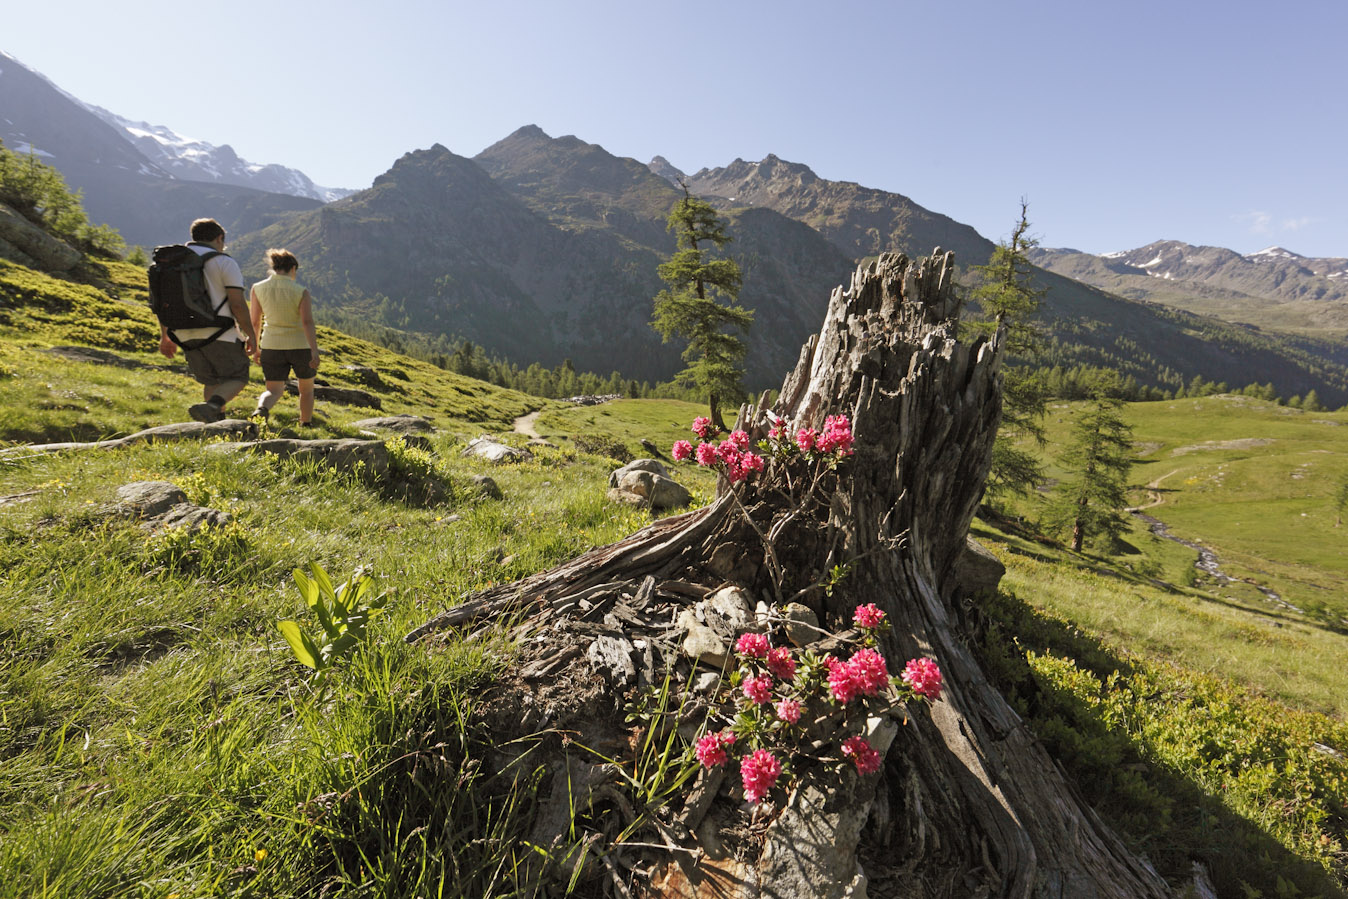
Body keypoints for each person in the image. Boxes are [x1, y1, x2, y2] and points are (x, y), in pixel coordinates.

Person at [157, 218, 258, 422]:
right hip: (220, 333)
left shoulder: (170, 264)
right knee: (237, 376)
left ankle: (213, 427)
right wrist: (251, 335)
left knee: (211, 381)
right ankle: (213, 405)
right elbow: (237, 304)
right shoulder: (223, 262)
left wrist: (165, 336)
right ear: (219, 238)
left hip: (183, 334)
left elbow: (161, 304)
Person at [248, 248, 321, 426]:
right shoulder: (301, 291)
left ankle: (262, 410)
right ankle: (306, 423)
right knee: (306, 389)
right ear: (293, 268)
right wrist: (314, 350)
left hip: (271, 345)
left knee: (273, 390)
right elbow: (307, 322)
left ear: (274, 267)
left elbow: (255, 322)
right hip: (299, 345)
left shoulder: (258, 288)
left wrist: (255, 348)